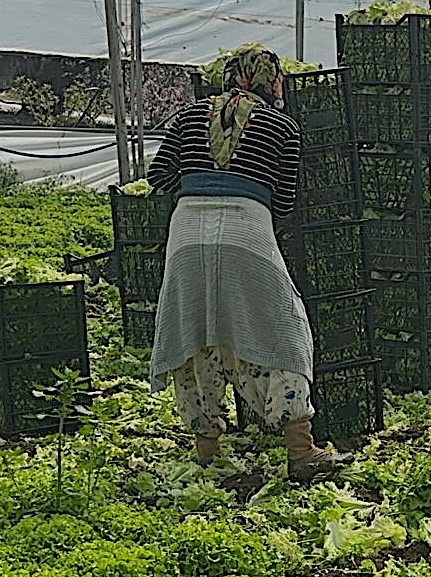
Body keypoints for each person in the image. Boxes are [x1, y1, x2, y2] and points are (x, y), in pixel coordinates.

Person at [146, 43, 342, 481]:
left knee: (196, 334)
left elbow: (157, 177)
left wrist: (200, 184)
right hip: (247, 233)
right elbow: (286, 201)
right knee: (284, 333)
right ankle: (300, 448)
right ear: (274, 81)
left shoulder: (189, 117)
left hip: (187, 236)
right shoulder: (281, 126)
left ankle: (208, 451)